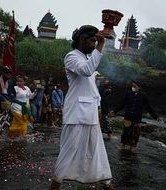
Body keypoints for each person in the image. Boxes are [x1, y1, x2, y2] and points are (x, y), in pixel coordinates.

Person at [50, 25, 113, 190]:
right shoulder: (71, 57)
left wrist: (98, 106)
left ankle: (107, 183)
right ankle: (55, 184)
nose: (94, 44)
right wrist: (101, 45)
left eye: (95, 41)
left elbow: (92, 88)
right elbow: (86, 71)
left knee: (97, 151)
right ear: (81, 39)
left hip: (91, 112)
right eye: (92, 41)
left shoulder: (87, 58)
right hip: (76, 113)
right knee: (68, 151)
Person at [113, 80, 161, 152]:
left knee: (135, 134)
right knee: (125, 132)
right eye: (132, 86)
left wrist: (156, 117)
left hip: (137, 118)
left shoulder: (143, 96)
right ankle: (122, 146)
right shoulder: (128, 94)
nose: (133, 87)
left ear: (139, 87)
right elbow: (122, 104)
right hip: (128, 117)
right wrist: (114, 111)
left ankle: (132, 148)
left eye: (134, 86)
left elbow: (148, 108)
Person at [8, 75, 35, 140]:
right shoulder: (14, 88)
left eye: (21, 81)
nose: (19, 83)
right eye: (18, 81)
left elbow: (30, 97)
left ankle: (12, 134)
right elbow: (10, 96)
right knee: (23, 122)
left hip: (24, 107)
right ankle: (23, 135)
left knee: (16, 122)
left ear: (24, 82)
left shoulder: (27, 88)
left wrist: (35, 92)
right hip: (15, 107)